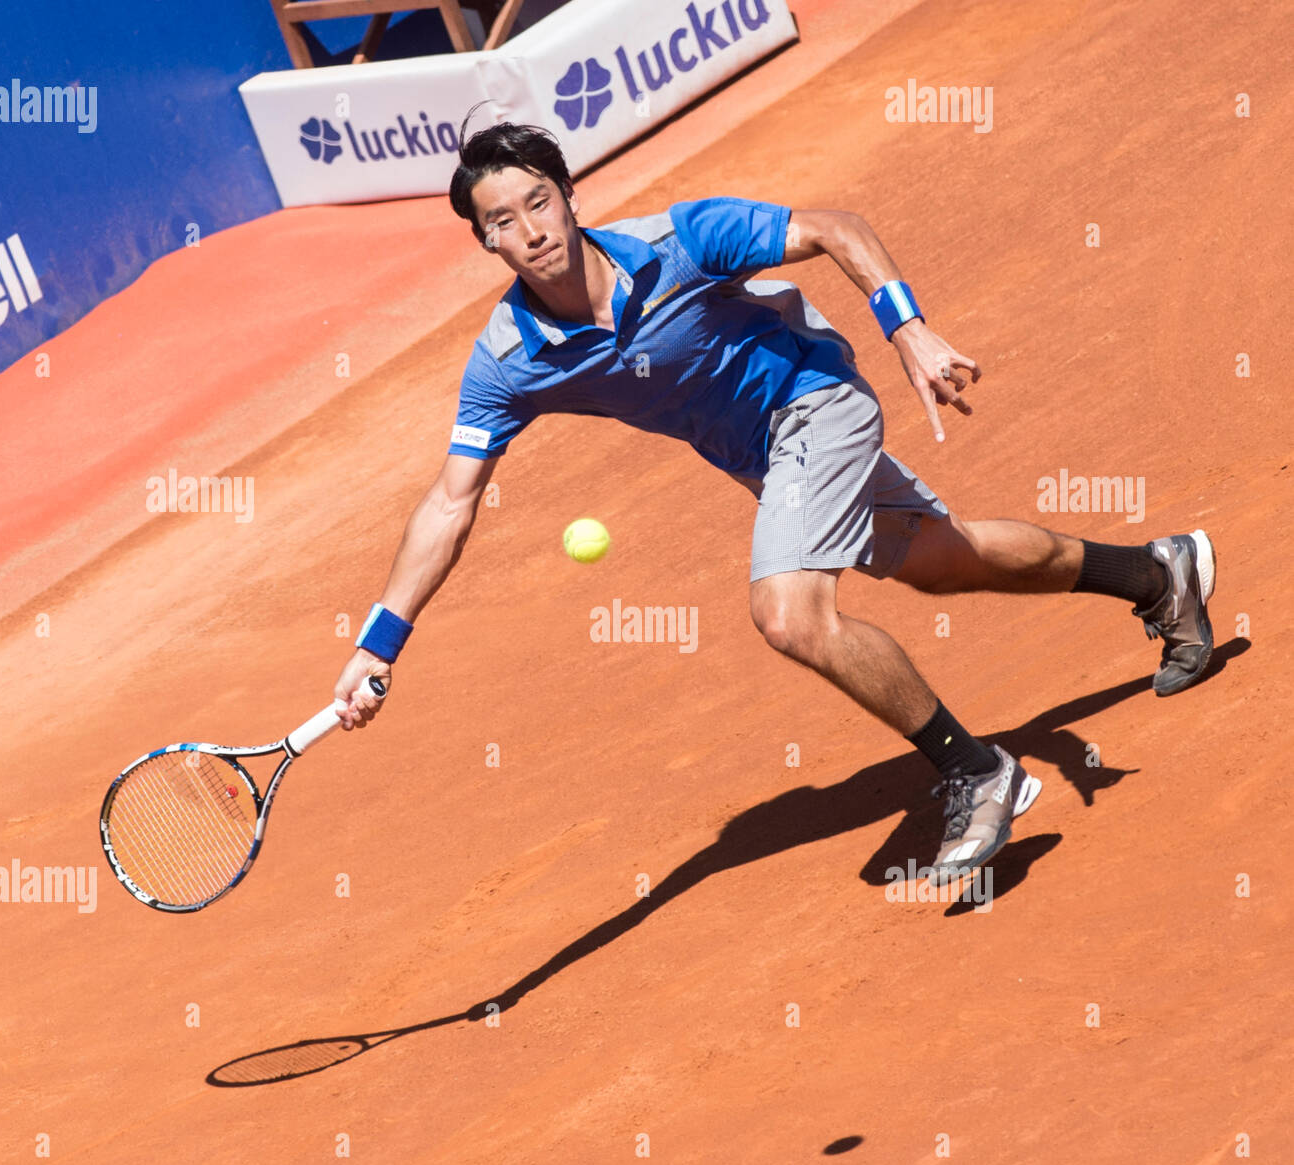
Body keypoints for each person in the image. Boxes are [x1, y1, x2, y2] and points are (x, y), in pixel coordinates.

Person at [333, 117, 1216, 884]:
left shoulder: (680, 240)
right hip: (766, 458)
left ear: (569, 196)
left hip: (818, 398)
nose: (529, 230)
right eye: (501, 221)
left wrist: (906, 328)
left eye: (536, 202)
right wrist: (380, 643)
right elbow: (451, 502)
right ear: (485, 243)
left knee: (789, 614)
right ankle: (1156, 575)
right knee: (948, 563)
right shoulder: (508, 361)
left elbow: (835, 226)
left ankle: (978, 770)